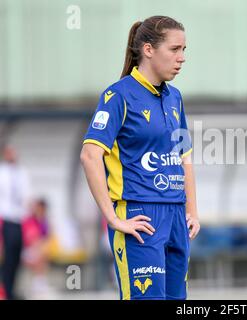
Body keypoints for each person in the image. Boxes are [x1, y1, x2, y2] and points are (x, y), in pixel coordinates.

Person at [80, 16, 200, 300]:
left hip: (176, 218)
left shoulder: (175, 98)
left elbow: (185, 157)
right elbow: (89, 155)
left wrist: (192, 210)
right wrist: (112, 218)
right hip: (139, 216)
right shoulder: (118, 95)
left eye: (184, 50)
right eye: (174, 49)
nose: (182, 58)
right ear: (148, 49)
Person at [0, 145, 33, 299]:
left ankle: (11, 289)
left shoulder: (22, 172)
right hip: (5, 219)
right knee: (7, 257)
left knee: (17, 257)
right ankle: (6, 290)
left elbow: (27, 195)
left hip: (20, 220)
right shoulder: (2, 172)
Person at [22, 198, 52, 297]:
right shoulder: (29, 221)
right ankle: (38, 283)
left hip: (38, 251)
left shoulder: (44, 222)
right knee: (39, 255)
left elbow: (47, 238)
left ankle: (39, 282)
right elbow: (31, 240)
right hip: (26, 251)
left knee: (42, 254)